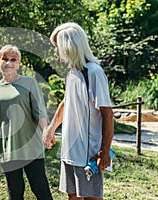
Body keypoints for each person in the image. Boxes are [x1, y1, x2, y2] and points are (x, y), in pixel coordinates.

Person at [43, 22, 114, 200]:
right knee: (72, 197)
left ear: (68, 45)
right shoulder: (72, 72)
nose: (55, 50)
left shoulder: (94, 73)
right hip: (69, 151)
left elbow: (108, 114)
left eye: (57, 46)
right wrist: (51, 128)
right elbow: (66, 102)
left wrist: (105, 150)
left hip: (87, 153)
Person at [0, 44, 53, 200]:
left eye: (13, 59)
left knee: (41, 189)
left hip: (31, 148)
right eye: (4, 59)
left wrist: (46, 131)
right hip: (7, 149)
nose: (8, 63)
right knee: (15, 191)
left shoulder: (30, 83)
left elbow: (40, 112)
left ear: (18, 64)